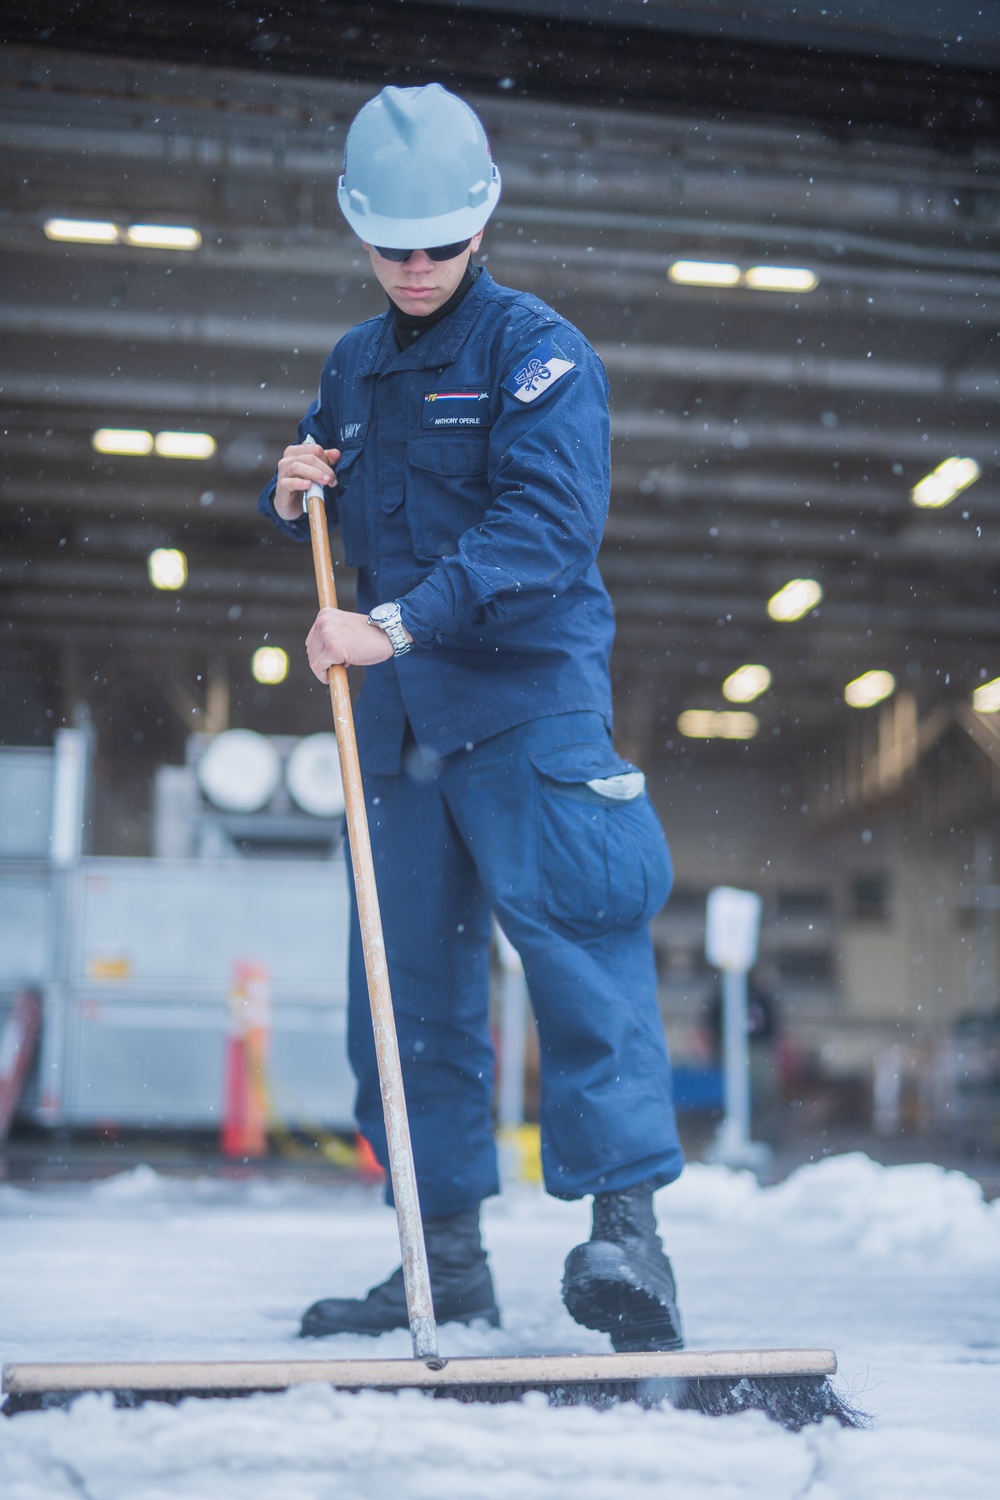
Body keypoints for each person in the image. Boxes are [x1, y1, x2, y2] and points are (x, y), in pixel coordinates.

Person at [259, 82, 685, 1352]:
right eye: (392, 245)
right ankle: (440, 1260)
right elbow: (329, 483)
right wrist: (287, 491)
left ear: (484, 217)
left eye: (440, 242)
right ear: (355, 225)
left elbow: (542, 534)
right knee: (402, 995)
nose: (417, 267)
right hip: (394, 735)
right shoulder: (352, 366)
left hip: (525, 716)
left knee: (582, 956)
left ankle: (629, 1245)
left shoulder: (538, 355)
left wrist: (390, 627)